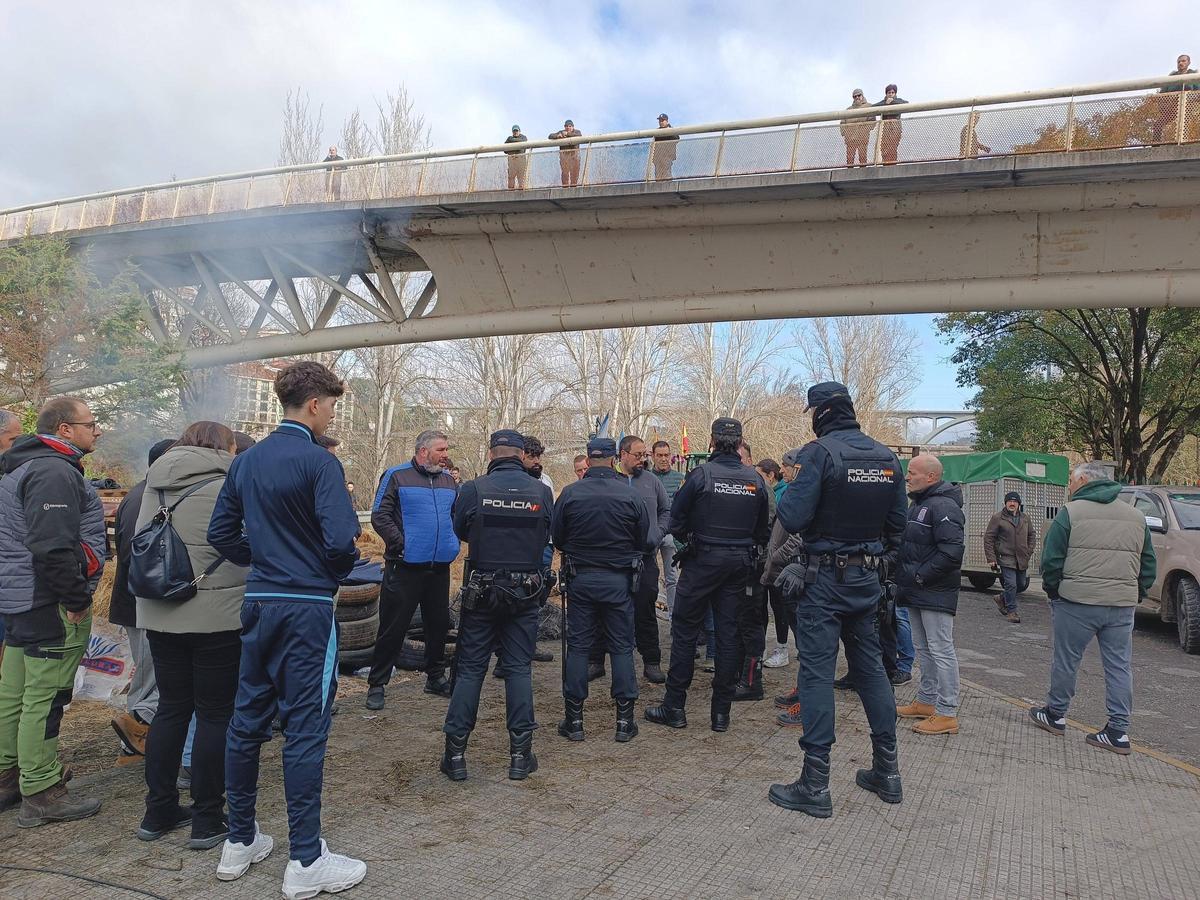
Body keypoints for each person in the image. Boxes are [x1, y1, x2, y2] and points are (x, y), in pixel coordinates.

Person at [208, 361, 364, 897]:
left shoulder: (246, 461)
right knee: (305, 728)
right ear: (316, 404)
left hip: (259, 603)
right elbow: (343, 541)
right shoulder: (319, 462)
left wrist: (267, 559)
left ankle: (239, 841)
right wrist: (322, 571)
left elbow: (220, 533)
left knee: (246, 720)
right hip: (306, 610)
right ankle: (304, 861)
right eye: (333, 405)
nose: (333, 415)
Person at [766, 382, 905, 819]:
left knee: (817, 674)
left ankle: (815, 783)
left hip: (824, 582)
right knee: (870, 672)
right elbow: (898, 526)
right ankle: (888, 772)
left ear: (821, 413)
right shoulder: (887, 458)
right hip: (867, 580)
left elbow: (791, 517)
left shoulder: (819, 454)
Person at [133, 422, 245, 849]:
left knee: (171, 710)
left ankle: (158, 810)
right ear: (224, 447)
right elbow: (241, 542)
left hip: (160, 612)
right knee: (215, 715)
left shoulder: (153, 483)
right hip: (215, 616)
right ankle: (207, 818)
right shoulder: (228, 484)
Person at [0, 396, 107, 826]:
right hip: (49, 600)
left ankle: (8, 775)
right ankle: (42, 790)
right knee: (46, 697)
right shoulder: (52, 471)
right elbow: (53, 546)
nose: (96, 430)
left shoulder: (19, 465)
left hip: (19, 598)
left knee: (15, 692)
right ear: (65, 429)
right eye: (91, 423)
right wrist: (77, 599)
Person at [441, 430, 554, 781]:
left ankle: (456, 757)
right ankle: (520, 756)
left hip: (482, 592)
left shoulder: (473, 489)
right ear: (521, 455)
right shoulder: (542, 491)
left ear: (492, 453)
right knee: (519, 670)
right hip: (525, 593)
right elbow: (550, 532)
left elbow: (460, 529)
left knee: (471, 671)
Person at [645, 418, 769, 733]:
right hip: (737, 564)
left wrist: (694, 541)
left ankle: (675, 707)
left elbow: (675, 520)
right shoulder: (754, 480)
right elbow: (762, 530)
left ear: (712, 442)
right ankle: (720, 714)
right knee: (728, 636)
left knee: (686, 633)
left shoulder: (701, 475)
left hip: (703, 562)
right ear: (740, 443)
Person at [1029, 461, 1155, 756]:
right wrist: (1135, 592)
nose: (1070, 487)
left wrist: (1054, 591)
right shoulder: (1136, 516)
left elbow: (1051, 561)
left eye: (1071, 481)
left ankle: (1055, 715)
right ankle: (1118, 732)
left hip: (1077, 602)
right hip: (1121, 605)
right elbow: (1148, 564)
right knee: (1119, 666)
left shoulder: (1070, 513)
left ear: (1083, 479)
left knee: (1066, 661)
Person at [553, 437, 651, 743]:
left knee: (579, 646)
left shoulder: (570, 494)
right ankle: (624, 722)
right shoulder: (630, 494)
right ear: (613, 459)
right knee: (622, 646)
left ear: (588, 458)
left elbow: (557, 538)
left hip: (581, 579)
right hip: (619, 580)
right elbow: (643, 538)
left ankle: (575, 721)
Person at [366, 430, 459, 708]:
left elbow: (454, 516)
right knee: (393, 627)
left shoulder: (448, 481)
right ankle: (377, 684)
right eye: (441, 450)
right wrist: (402, 543)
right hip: (404, 566)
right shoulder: (396, 475)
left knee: (438, 626)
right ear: (423, 451)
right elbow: (379, 515)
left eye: (446, 449)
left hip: (439, 567)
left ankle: (435, 677)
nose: (445, 455)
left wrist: (451, 542)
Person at [110, 438, 176, 766]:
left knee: (146, 675)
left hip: (135, 600)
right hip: (144, 601)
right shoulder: (149, 497)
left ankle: (133, 747)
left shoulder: (141, 492)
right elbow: (141, 556)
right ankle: (137, 738)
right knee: (151, 678)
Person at [895, 454, 964, 736]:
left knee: (941, 649)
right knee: (924, 649)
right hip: (916, 591)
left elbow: (952, 552)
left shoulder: (944, 506)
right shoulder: (919, 504)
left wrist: (921, 576)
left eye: (912, 472)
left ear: (931, 477)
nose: (907, 477)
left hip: (934, 591)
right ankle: (926, 701)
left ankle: (947, 713)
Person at [616, 436, 669, 683]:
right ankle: (597, 659)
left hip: (645, 558)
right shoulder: (610, 482)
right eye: (638, 455)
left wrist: (656, 535)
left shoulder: (651, 482)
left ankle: (651, 661)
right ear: (623, 454)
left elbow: (666, 511)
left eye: (644, 455)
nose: (643, 460)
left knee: (645, 609)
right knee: (609, 611)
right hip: (614, 560)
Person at [755, 459, 792, 670]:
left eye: (760, 475)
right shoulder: (768, 491)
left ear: (770, 475)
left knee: (779, 605)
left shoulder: (784, 492)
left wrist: (777, 553)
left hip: (779, 558)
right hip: (765, 557)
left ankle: (782, 647)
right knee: (761, 603)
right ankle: (761, 648)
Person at [984, 491, 1036, 624]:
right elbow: (989, 538)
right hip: (1006, 557)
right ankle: (1012, 612)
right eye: (1009, 501)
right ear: (1005, 503)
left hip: (1022, 558)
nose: (1012, 503)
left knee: (1021, 584)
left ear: (1019, 504)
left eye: (1015, 501)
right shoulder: (998, 518)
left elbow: (1032, 535)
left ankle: (1001, 598)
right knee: (1011, 584)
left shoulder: (1025, 518)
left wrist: (1029, 551)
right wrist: (991, 558)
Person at [650, 440, 684, 617]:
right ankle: (648, 616)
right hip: (652, 533)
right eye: (660, 455)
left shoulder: (680, 478)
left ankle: (674, 616)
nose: (663, 459)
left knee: (672, 577)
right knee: (648, 575)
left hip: (671, 535)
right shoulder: (646, 478)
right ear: (653, 456)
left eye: (666, 455)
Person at [1154, 54, 1200, 142]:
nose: (1180, 63)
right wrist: (1163, 106)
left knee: (1184, 124)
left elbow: (1198, 92)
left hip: (1189, 106)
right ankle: (1155, 145)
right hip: (1172, 107)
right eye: (1179, 61)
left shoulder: (1193, 75)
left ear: (1189, 63)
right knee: (1158, 124)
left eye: (1183, 61)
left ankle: (1184, 142)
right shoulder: (1172, 77)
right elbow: (1162, 94)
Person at [873, 85, 907, 164]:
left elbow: (906, 104)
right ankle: (885, 164)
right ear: (886, 94)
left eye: (893, 92)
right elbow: (873, 107)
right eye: (889, 92)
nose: (891, 94)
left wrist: (892, 101)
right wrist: (886, 103)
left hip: (895, 129)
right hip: (884, 129)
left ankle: (892, 165)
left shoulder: (899, 101)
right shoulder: (883, 102)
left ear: (895, 93)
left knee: (892, 148)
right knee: (884, 148)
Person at [840, 89, 873, 166]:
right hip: (850, 138)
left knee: (862, 157)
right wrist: (845, 133)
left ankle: (863, 173)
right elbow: (842, 122)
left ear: (862, 95)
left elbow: (872, 121)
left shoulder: (869, 106)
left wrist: (866, 130)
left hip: (862, 137)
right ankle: (849, 173)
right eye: (855, 96)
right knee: (849, 158)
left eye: (859, 95)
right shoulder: (848, 110)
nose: (857, 97)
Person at [549, 119, 583, 187]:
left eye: (570, 126)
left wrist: (568, 134)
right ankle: (565, 187)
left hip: (574, 157)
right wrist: (558, 136)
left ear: (573, 127)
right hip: (564, 158)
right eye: (566, 126)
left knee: (574, 173)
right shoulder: (561, 132)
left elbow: (579, 136)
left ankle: (574, 187)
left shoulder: (577, 132)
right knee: (565, 174)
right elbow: (550, 136)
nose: (568, 128)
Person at [652, 113, 679, 180]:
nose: (661, 122)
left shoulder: (671, 130)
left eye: (662, 120)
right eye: (660, 121)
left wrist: (668, 131)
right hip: (658, 157)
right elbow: (653, 143)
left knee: (666, 174)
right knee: (658, 175)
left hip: (667, 156)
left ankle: (668, 186)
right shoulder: (656, 132)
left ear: (667, 121)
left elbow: (677, 139)